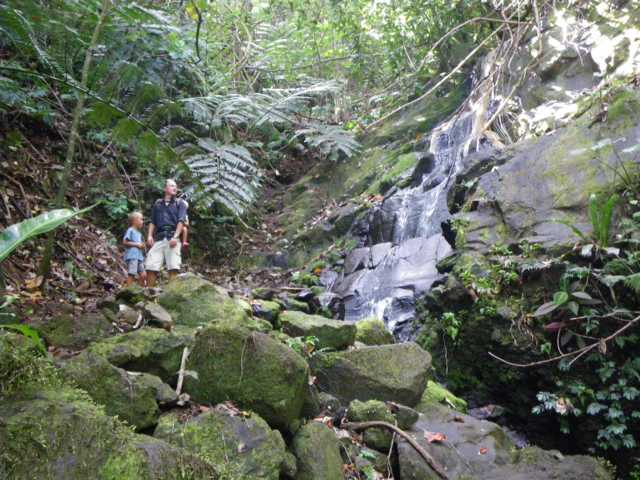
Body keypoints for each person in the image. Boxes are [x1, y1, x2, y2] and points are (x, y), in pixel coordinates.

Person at [145, 179, 188, 287]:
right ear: (165, 188)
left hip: (173, 237)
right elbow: (152, 221)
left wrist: (175, 236)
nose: (175, 188)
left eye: (175, 186)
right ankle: (149, 294)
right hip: (159, 237)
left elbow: (181, 221)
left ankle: (171, 296)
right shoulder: (158, 204)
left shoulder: (180, 203)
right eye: (172, 186)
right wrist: (149, 235)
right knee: (151, 266)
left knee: (173, 267)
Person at [122, 211, 147, 287]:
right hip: (132, 256)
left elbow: (140, 245)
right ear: (134, 221)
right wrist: (137, 244)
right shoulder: (131, 230)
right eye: (141, 219)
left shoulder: (139, 233)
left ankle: (140, 290)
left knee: (143, 274)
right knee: (132, 273)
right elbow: (125, 242)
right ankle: (128, 290)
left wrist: (142, 246)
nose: (142, 222)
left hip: (139, 257)